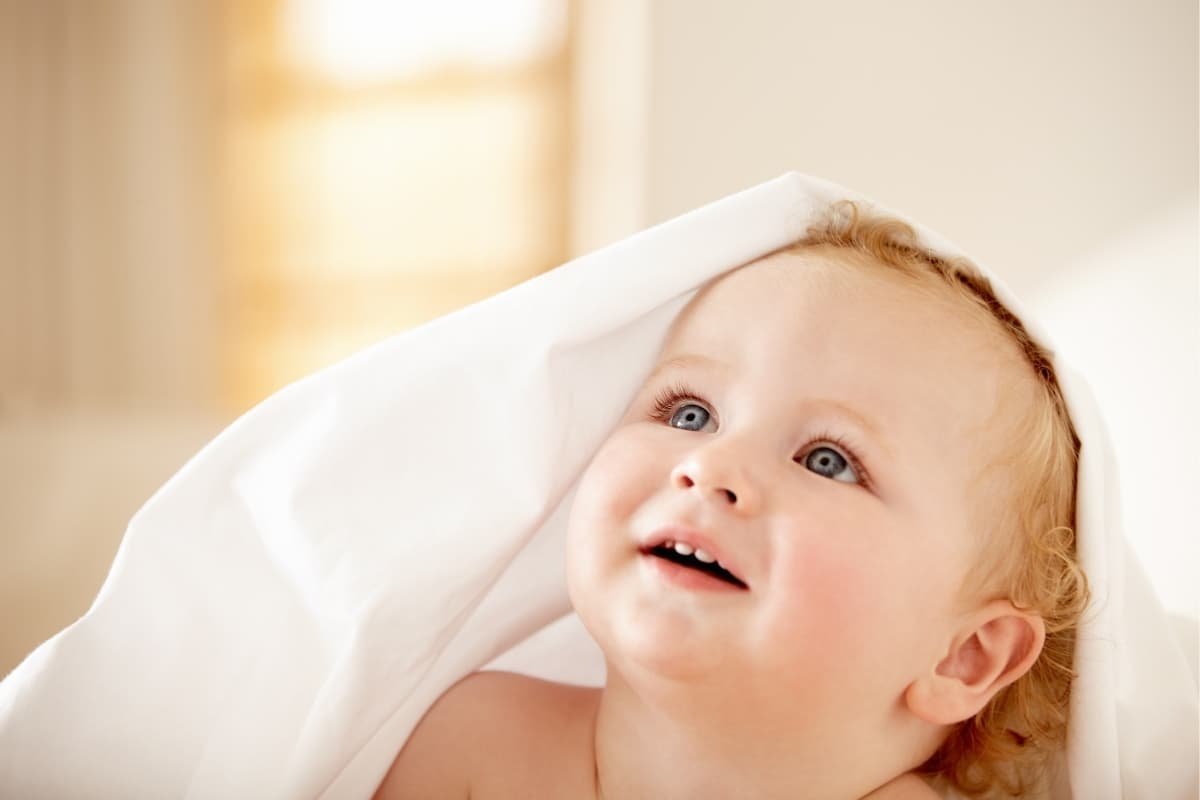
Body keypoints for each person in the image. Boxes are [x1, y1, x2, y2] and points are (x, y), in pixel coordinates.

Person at [374, 200, 1089, 799]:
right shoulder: (478, 748)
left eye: (828, 460)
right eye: (689, 413)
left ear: (964, 656)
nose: (710, 465)